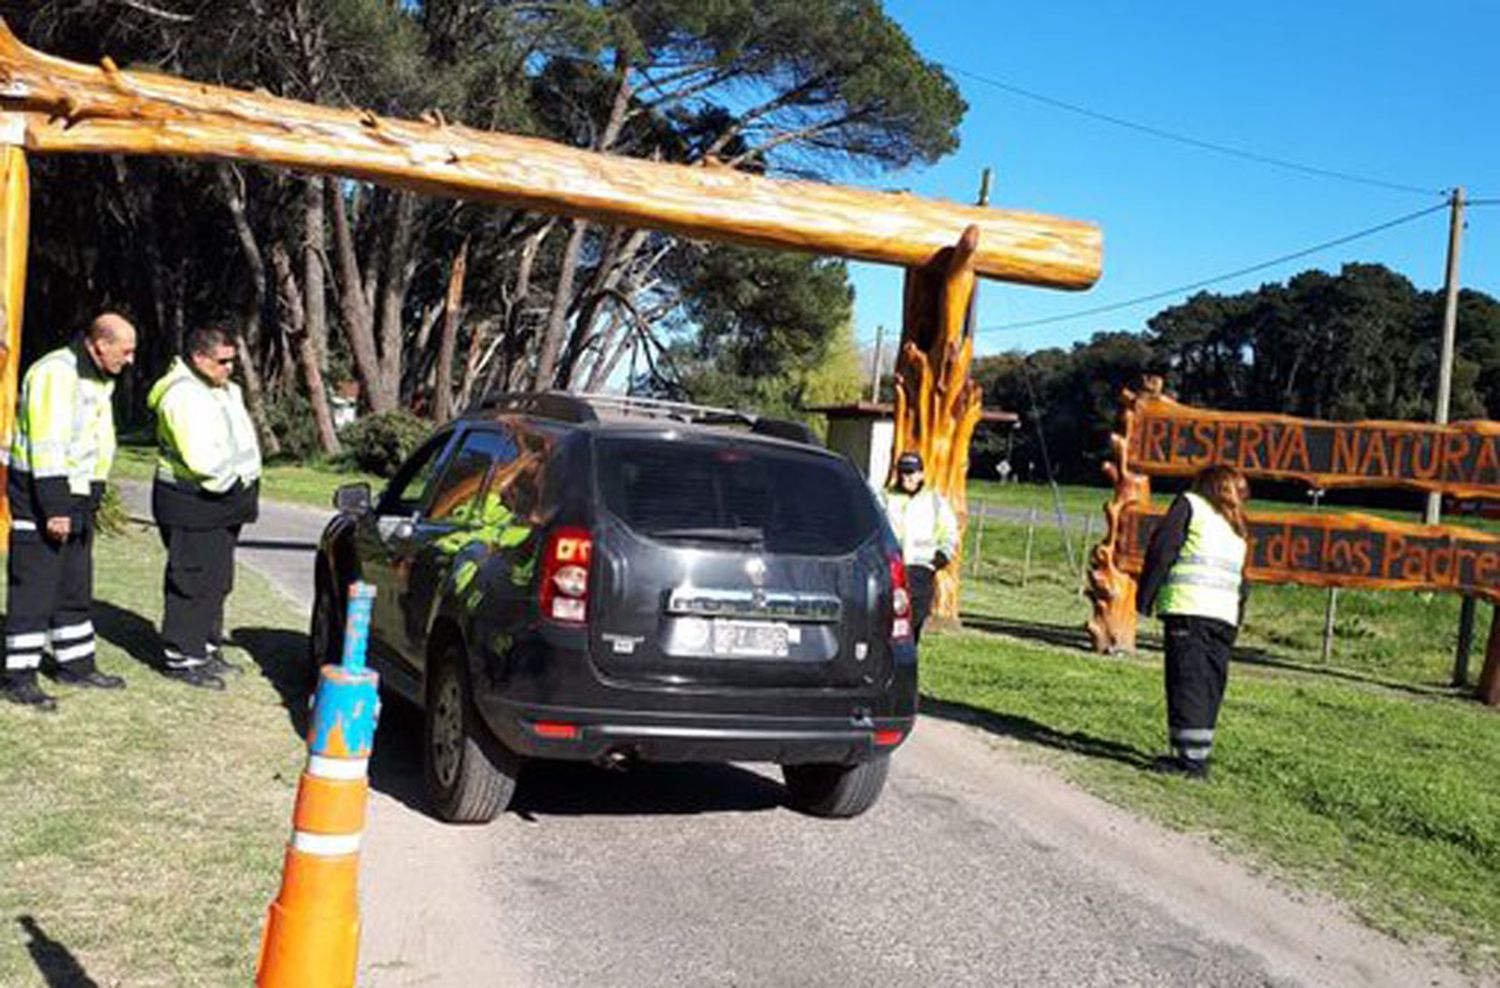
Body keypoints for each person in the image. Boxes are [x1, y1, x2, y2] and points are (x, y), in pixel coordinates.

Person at [3, 314, 137, 710]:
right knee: (35, 590)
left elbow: (94, 443)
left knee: (74, 586)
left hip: (77, 497)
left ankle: (75, 665)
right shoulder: (55, 374)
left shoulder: (95, 377)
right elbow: (48, 445)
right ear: (99, 345)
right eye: (125, 351)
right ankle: (18, 677)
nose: (130, 360)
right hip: (42, 496)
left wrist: (90, 499)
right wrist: (56, 507)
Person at [148, 326, 262, 689]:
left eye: (232, 360)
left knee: (217, 580)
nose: (230, 368)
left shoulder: (224, 389)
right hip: (193, 502)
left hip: (225, 504)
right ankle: (182, 657)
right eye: (222, 361)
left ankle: (206, 648)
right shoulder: (182, 396)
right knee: (191, 579)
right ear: (199, 358)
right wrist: (230, 485)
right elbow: (202, 460)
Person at [1136, 465, 1251, 780]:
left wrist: (1144, 597)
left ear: (1207, 485)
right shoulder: (1236, 528)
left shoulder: (1190, 505)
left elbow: (1162, 550)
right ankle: (1199, 752)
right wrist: (1236, 619)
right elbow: (1243, 583)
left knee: (1186, 680)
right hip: (1223, 617)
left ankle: (1189, 762)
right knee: (1211, 683)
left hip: (1190, 608)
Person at [879, 451, 958, 642]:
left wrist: (941, 557)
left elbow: (949, 533)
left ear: (921, 474)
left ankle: (906, 664)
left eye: (912, 472)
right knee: (886, 626)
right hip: (891, 569)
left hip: (921, 571)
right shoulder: (884, 498)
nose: (907, 477)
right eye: (903, 472)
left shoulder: (934, 501)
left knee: (912, 628)